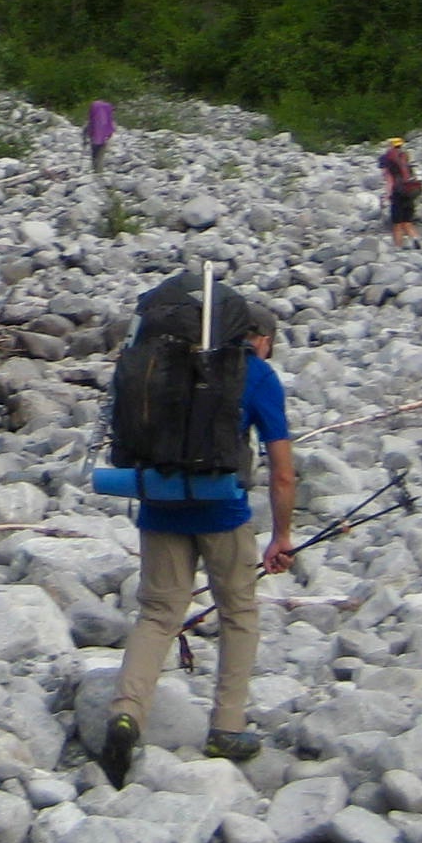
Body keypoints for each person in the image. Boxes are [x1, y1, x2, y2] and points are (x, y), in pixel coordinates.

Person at [102, 294, 296, 780]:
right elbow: (282, 473)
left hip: (160, 506)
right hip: (222, 511)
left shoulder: (169, 363)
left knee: (158, 613)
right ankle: (226, 726)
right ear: (261, 340)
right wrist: (282, 536)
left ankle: (126, 714)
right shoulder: (258, 376)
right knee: (239, 613)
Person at [379, 138, 422, 246]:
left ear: (390, 145)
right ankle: (416, 238)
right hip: (410, 190)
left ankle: (398, 248)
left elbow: (389, 178)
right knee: (407, 222)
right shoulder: (405, 156)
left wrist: (387, 195)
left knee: (397, 224)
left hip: (397, 191)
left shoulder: (386, 158)